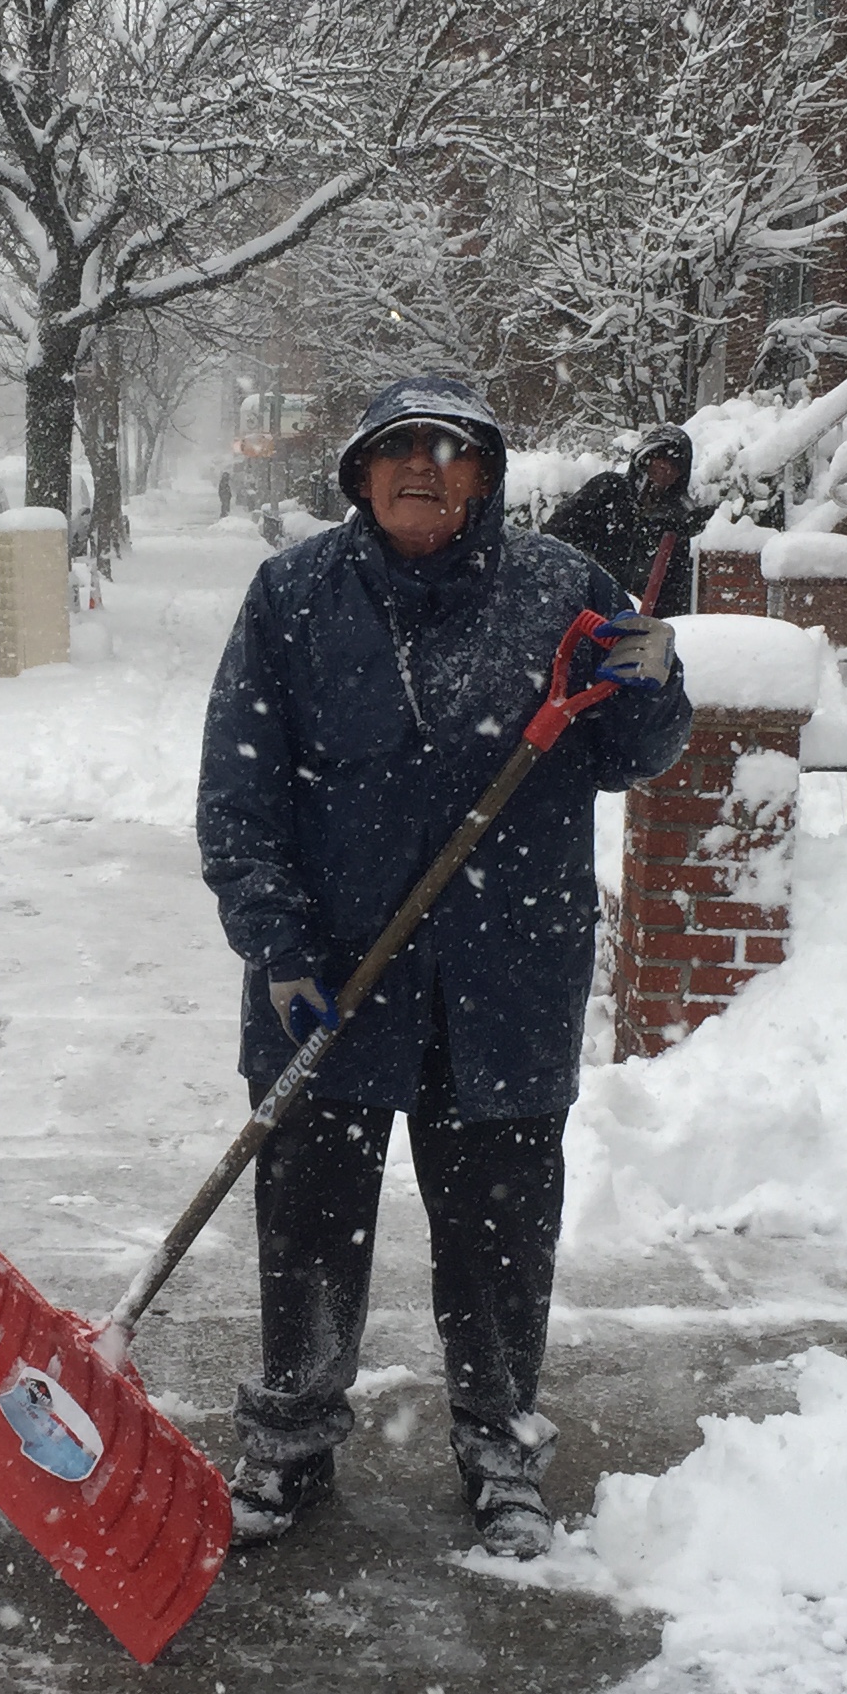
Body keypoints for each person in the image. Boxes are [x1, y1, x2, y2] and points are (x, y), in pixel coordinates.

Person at [195, 374, 693, 1558]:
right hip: (331, 978)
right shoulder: (295, 597)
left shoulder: (561, 590)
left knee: (502, 1241)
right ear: (360, 474)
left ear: (487, 473)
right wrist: (276, 942)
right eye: (398, 447)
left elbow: (640, 751)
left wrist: (654, 680)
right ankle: (292, 1441)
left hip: (504, 983)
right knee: (309, 1229)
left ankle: (501, 1448)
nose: (425, 466)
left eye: (451, 449)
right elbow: (238, 793)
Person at [545, 422, 708, 613]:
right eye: (661, 458)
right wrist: (586, 579)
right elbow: (557, 535)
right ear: (646, 457)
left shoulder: (673, 522)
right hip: (587, 609)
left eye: (675, 465)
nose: (666, 468)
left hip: (637, 622)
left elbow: (675, 589)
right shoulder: (607, 490)